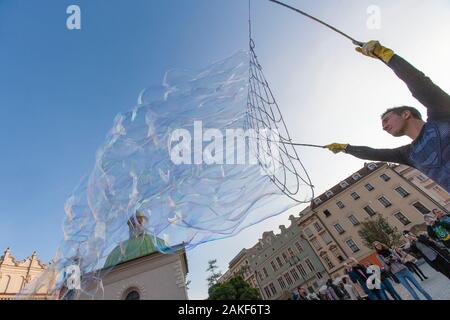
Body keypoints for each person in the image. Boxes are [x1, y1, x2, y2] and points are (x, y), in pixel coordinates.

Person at [325, 40, 450, 193]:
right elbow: (372, 153)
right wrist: (346, 148)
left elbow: (419, 84)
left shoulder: (442, 116)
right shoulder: (408, 154)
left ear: (405, 114)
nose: (384, 127)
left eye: (386, 120)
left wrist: (387, 56)